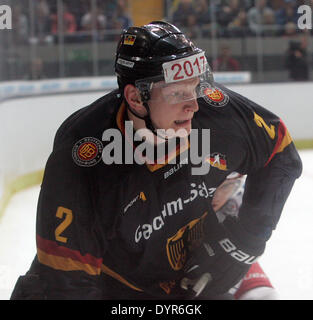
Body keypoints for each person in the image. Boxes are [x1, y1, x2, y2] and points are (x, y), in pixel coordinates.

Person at [10, 21, 302, 300]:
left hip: (190, 274)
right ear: (136, 99)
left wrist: (246, 241)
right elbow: (67, 284)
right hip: (108, 287)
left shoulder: (217, 111)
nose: (194, 105)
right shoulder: (85, 160)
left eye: (196, 86)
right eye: (178, 93)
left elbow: (281, 153)